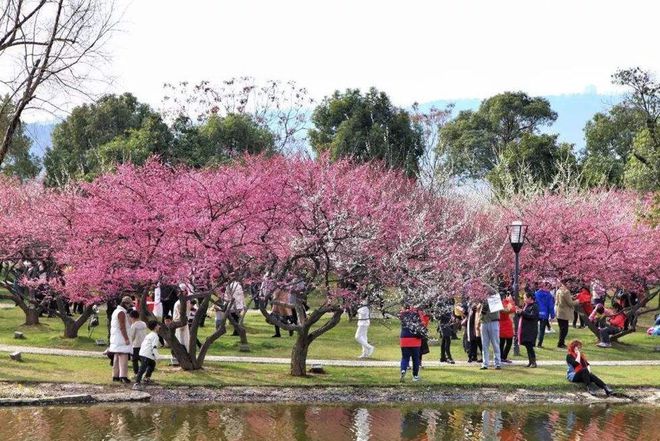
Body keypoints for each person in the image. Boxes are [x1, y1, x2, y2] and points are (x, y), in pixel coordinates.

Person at [109, 296, 133, 384]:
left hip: (116, 337)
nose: (130, 307)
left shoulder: (116, 311)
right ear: (125, 304)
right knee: (123, 357)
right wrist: (126, 338)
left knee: (116, 356)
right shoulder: (121, 312)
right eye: (129, 305)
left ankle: (115, 375)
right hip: (120, 337)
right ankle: (123, 376)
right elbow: (122, 327)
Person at [399, 304, 425, 382]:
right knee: (415, 358)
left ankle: (403, 370)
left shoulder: (402, 314)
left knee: (405, 357)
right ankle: (415, 376)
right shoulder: (417, 314)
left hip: (404, 339)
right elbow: (423, 323)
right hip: (415, 339)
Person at [133, 320, 161, 390]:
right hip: (146, 354)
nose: (159, 326)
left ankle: (146, 378)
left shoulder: (149, 334)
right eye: (158, 325)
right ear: (155, 327)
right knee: (142, 368)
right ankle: (136, 383)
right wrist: (158, 357)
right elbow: (154, 347)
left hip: (143, 353)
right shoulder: (155, 336)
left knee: (152, 364)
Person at [517, 292, 539, 368]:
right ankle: (530, 362)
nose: (524, 299)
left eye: (525, 298)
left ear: (530, 298)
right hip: (525, 329)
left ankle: (534, 362)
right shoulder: (525, 306)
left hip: (531, 329)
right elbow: (523, 315)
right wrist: (519, 312)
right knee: (527, 346)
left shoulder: (535, 306)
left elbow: (532, 316)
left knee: (529, 346)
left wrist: (522, 312)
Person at [478, 299, 501, 370]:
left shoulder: (495, 298)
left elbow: (495, 310)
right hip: (484, 322)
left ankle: (497, 363)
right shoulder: (482, 298)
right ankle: (485, 364)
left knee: (495, 344)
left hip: (493, 322)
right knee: (484, 345)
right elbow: (480, 312)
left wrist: (486, 303)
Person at [555, 281, 577, 349]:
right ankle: (560, 343)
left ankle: (561, 343)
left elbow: (563, 299)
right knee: (564, 329)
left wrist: (571, 297)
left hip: (559, 311)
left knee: (562, 329)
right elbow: (570, 303)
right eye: (569, 283)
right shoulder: (566, 291)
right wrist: (577, 301)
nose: (570, 285)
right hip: (564, 312)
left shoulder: (559, 290)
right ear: (566, 284)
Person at [534, 282, 555, 348]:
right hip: (544, 314)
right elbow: (550, 306)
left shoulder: (536, 293)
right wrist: (552, 315)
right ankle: (539, 344)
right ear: (544, 287)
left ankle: (533, 343)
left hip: (537, 313)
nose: (549, 289)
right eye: (548, 287)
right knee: (542, 330)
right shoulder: (549, 295)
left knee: (535, 328)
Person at [128, 309, 147, 375]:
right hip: (143, 344)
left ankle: (136, 373)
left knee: (135, 360)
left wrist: (130, 343)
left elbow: (132, 336)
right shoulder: (144, 323)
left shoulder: (134, 325)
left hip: (136, 345)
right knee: (142, 359)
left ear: (132, 317)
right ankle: (143, 371)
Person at [499, 293, 515, 363]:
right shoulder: (504, 303)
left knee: (502, 342)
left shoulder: (502, 303)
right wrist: (510, 301)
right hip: (505, 324)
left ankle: (502, 357)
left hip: (503, 324)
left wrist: (509, 301)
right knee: (507, 342)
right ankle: (503, 357)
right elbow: (511, 309)